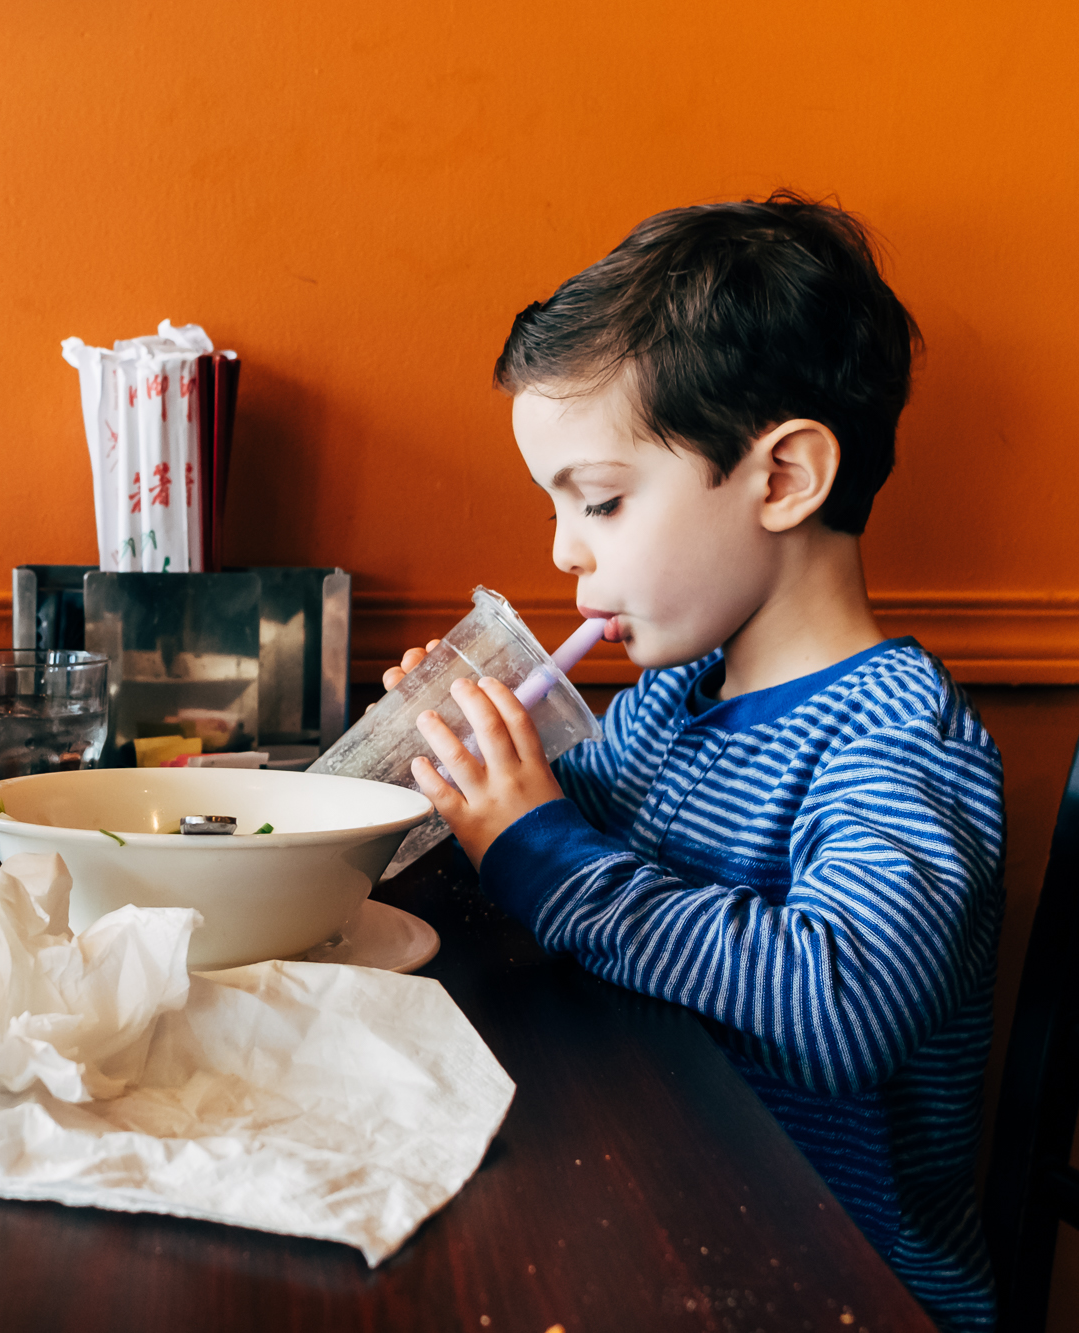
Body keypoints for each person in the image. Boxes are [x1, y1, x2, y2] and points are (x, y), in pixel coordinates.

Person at [387, 193, 1003, 1333]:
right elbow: (581, 840)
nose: (562, 551)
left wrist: (535, 845)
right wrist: (482, 767)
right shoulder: (678, 693)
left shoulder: (895, 738)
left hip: (830, 1281)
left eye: (602, 501)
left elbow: (842, 1001)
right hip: (670, 1207)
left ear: (781, 480)